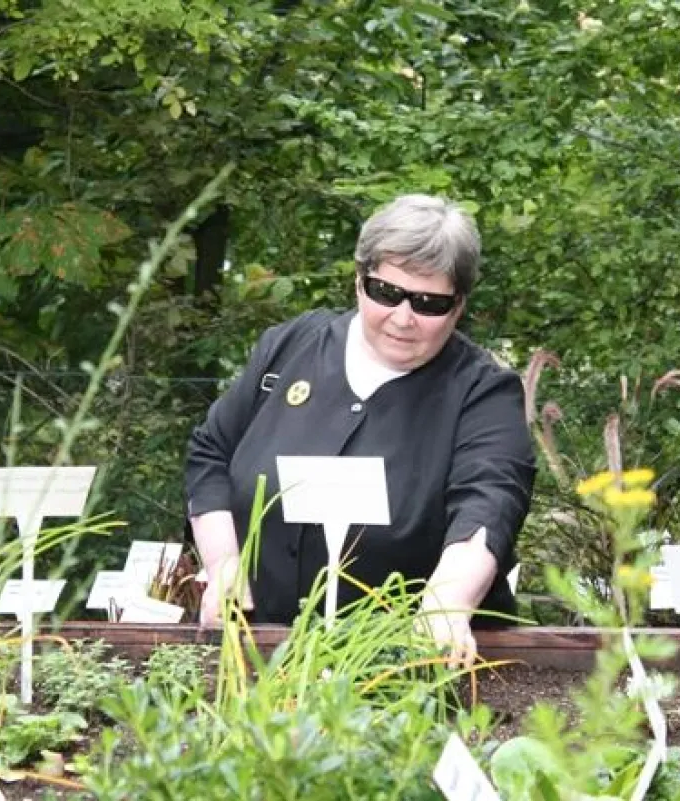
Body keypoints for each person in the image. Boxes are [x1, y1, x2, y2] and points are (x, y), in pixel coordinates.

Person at [183, 194, 535, 667]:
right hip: (257, 656)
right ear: (358, 280)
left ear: (459, 307)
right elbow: (210, 453)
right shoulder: (288, 349)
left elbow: (489, 502)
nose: (403, 318)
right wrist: (224, 565)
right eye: (386, 293)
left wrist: (445, 607)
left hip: (406, 668)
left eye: (429, 303)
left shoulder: (482, 392)